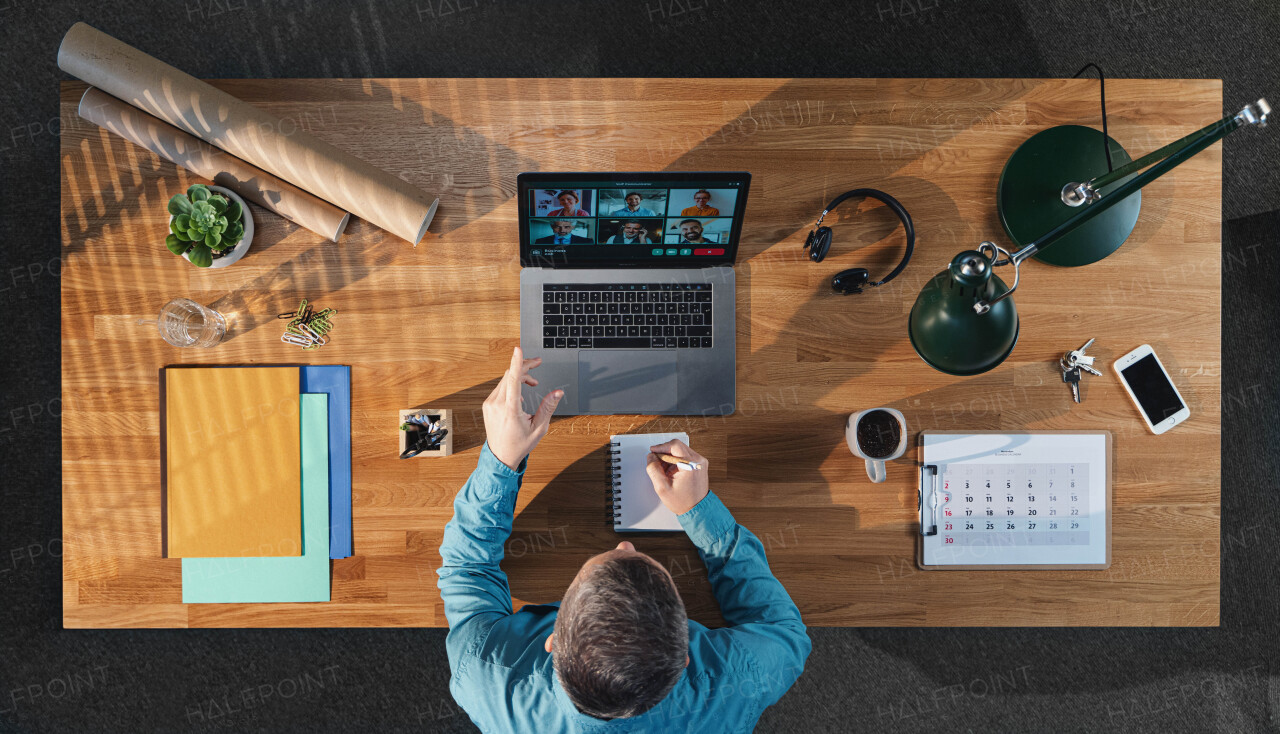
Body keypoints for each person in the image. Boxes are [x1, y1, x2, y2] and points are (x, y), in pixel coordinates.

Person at [438, 349, 810, 732]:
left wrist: (501, 459)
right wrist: (700, 510)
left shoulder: (485, 675)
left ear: (553, 644)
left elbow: (467, 568)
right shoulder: (737, 684)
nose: (624, 546)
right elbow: (783, 630)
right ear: (684, 658)